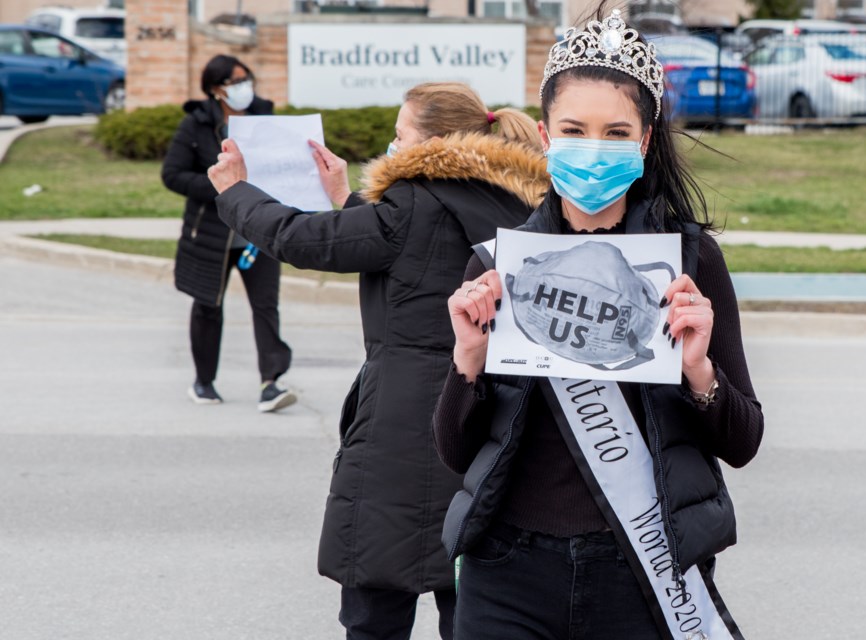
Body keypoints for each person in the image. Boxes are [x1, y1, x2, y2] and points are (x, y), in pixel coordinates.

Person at [433, 7, 765, 640]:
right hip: (506, 572)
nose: (594, 147)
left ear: (644, 141)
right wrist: (467, 361)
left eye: (616, 133)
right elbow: (453, 452)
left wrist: (699, 371)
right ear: (544, 135)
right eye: (574, 129)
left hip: (642, 572)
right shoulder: (494, 268)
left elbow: (743, 441)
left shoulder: (690, 264)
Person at [205, 82, 550, 639]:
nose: (392, 145)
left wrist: (237, 192)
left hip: (402, 430)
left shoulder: (411, 203)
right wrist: (346, 195)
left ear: (432, 144)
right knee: (471, 609)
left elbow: (303, 239)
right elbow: (412, 255)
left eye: (399, 134)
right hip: (490, 421)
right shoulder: (516, 202)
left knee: (375, 609)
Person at [162, 54, 296, 413]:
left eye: (245, 79)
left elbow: (281, 165)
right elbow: (172, 174)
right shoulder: (196, 124)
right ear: (215, 88)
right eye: (234, 82)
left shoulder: (264, 118)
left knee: (266, 307)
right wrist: (223, 187)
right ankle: (204, 381)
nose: (243, 87)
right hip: (210, 236)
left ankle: (271, 383)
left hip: (259, 232)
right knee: (208, 305)